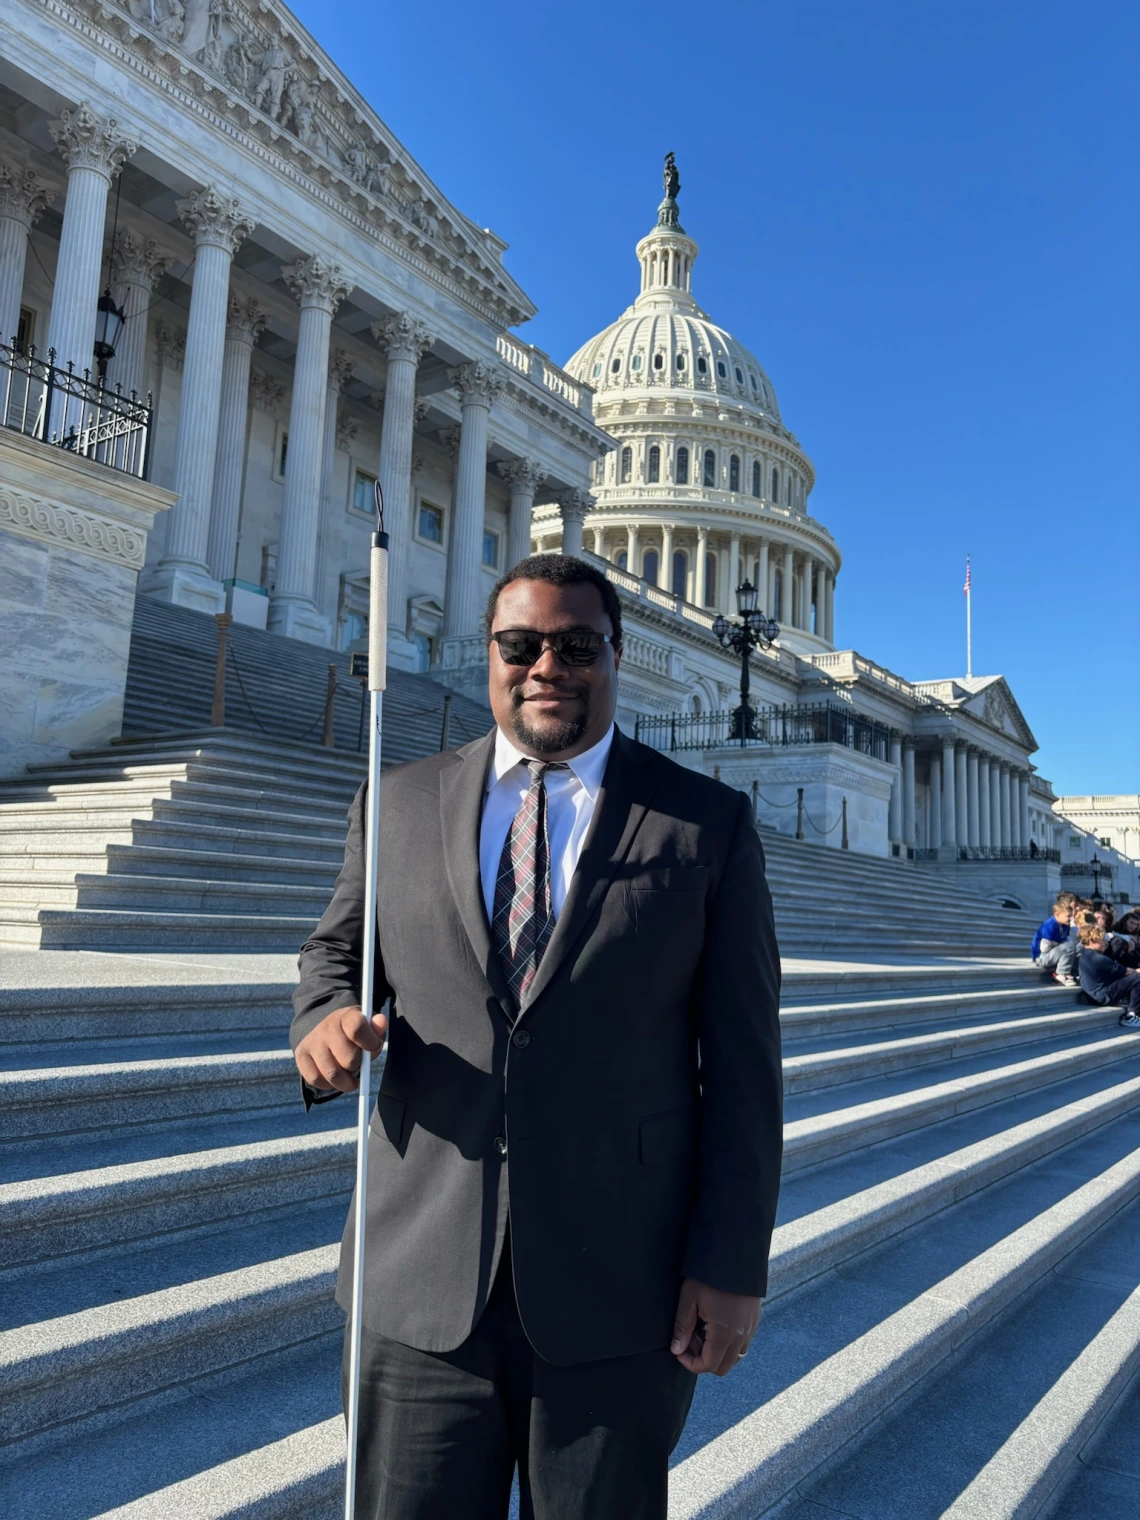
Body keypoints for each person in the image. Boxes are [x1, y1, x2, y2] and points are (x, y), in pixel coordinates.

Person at [290, 553, 784, 1520]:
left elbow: (742, 1069)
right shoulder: (396, 802)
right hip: (419, 1271)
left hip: (620, 1286)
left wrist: (730, 1267)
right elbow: (336, 957)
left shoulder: (704, 824)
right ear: (491, 657)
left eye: (576, 645)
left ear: (615, 656)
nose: (547, 666)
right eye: (521, 645)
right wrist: (323, 1024)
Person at [1076, 921, 1140, 1028]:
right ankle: (1130, 1015)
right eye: (1102, 940)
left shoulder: (1084, 954)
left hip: (1091, 995)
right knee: (1137, 978)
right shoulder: (1098, 958)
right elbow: (1126, 971)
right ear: (1092, 941)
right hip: (1102, 996)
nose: (1106, 943)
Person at [1031, 899, 1079, 986]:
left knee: (1079, 947)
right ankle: (1061, 974)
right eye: (1068, 916)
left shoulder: (1064, 925)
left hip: (1053, 954)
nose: (1071, 918)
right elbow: (1045, 948)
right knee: (1068, 946)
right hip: (1042, 957)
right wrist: (1060, 944)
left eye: (1071, 916)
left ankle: (1075, 972)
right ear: (1057, 914)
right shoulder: (1049, 925)